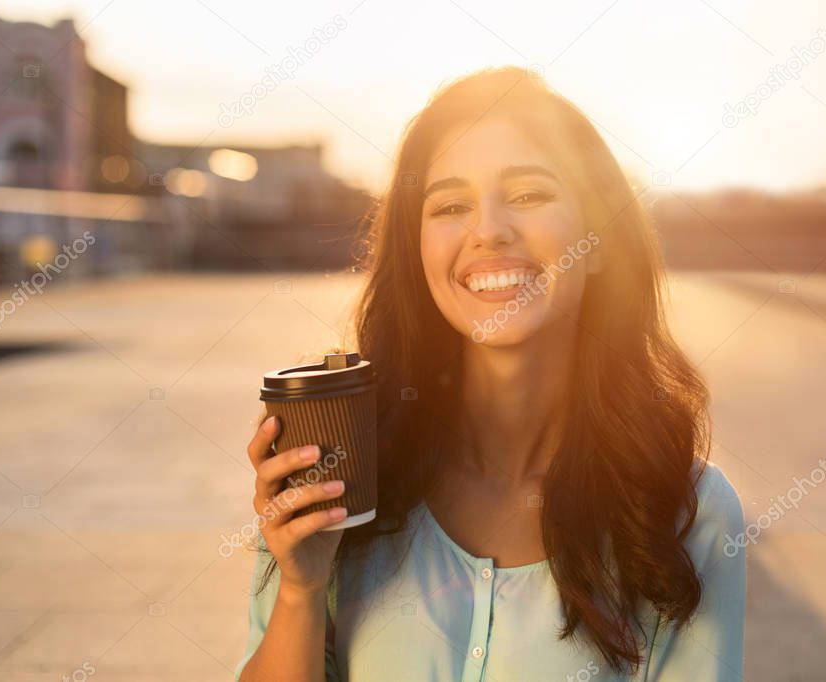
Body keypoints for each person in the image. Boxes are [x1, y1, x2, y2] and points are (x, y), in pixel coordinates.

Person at [236, 65, 746, 681]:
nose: (489, 231)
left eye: (529, 194)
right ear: (417, 250)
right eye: (450, 205)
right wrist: (300, 588)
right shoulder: (342, 471)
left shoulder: (686, 508)